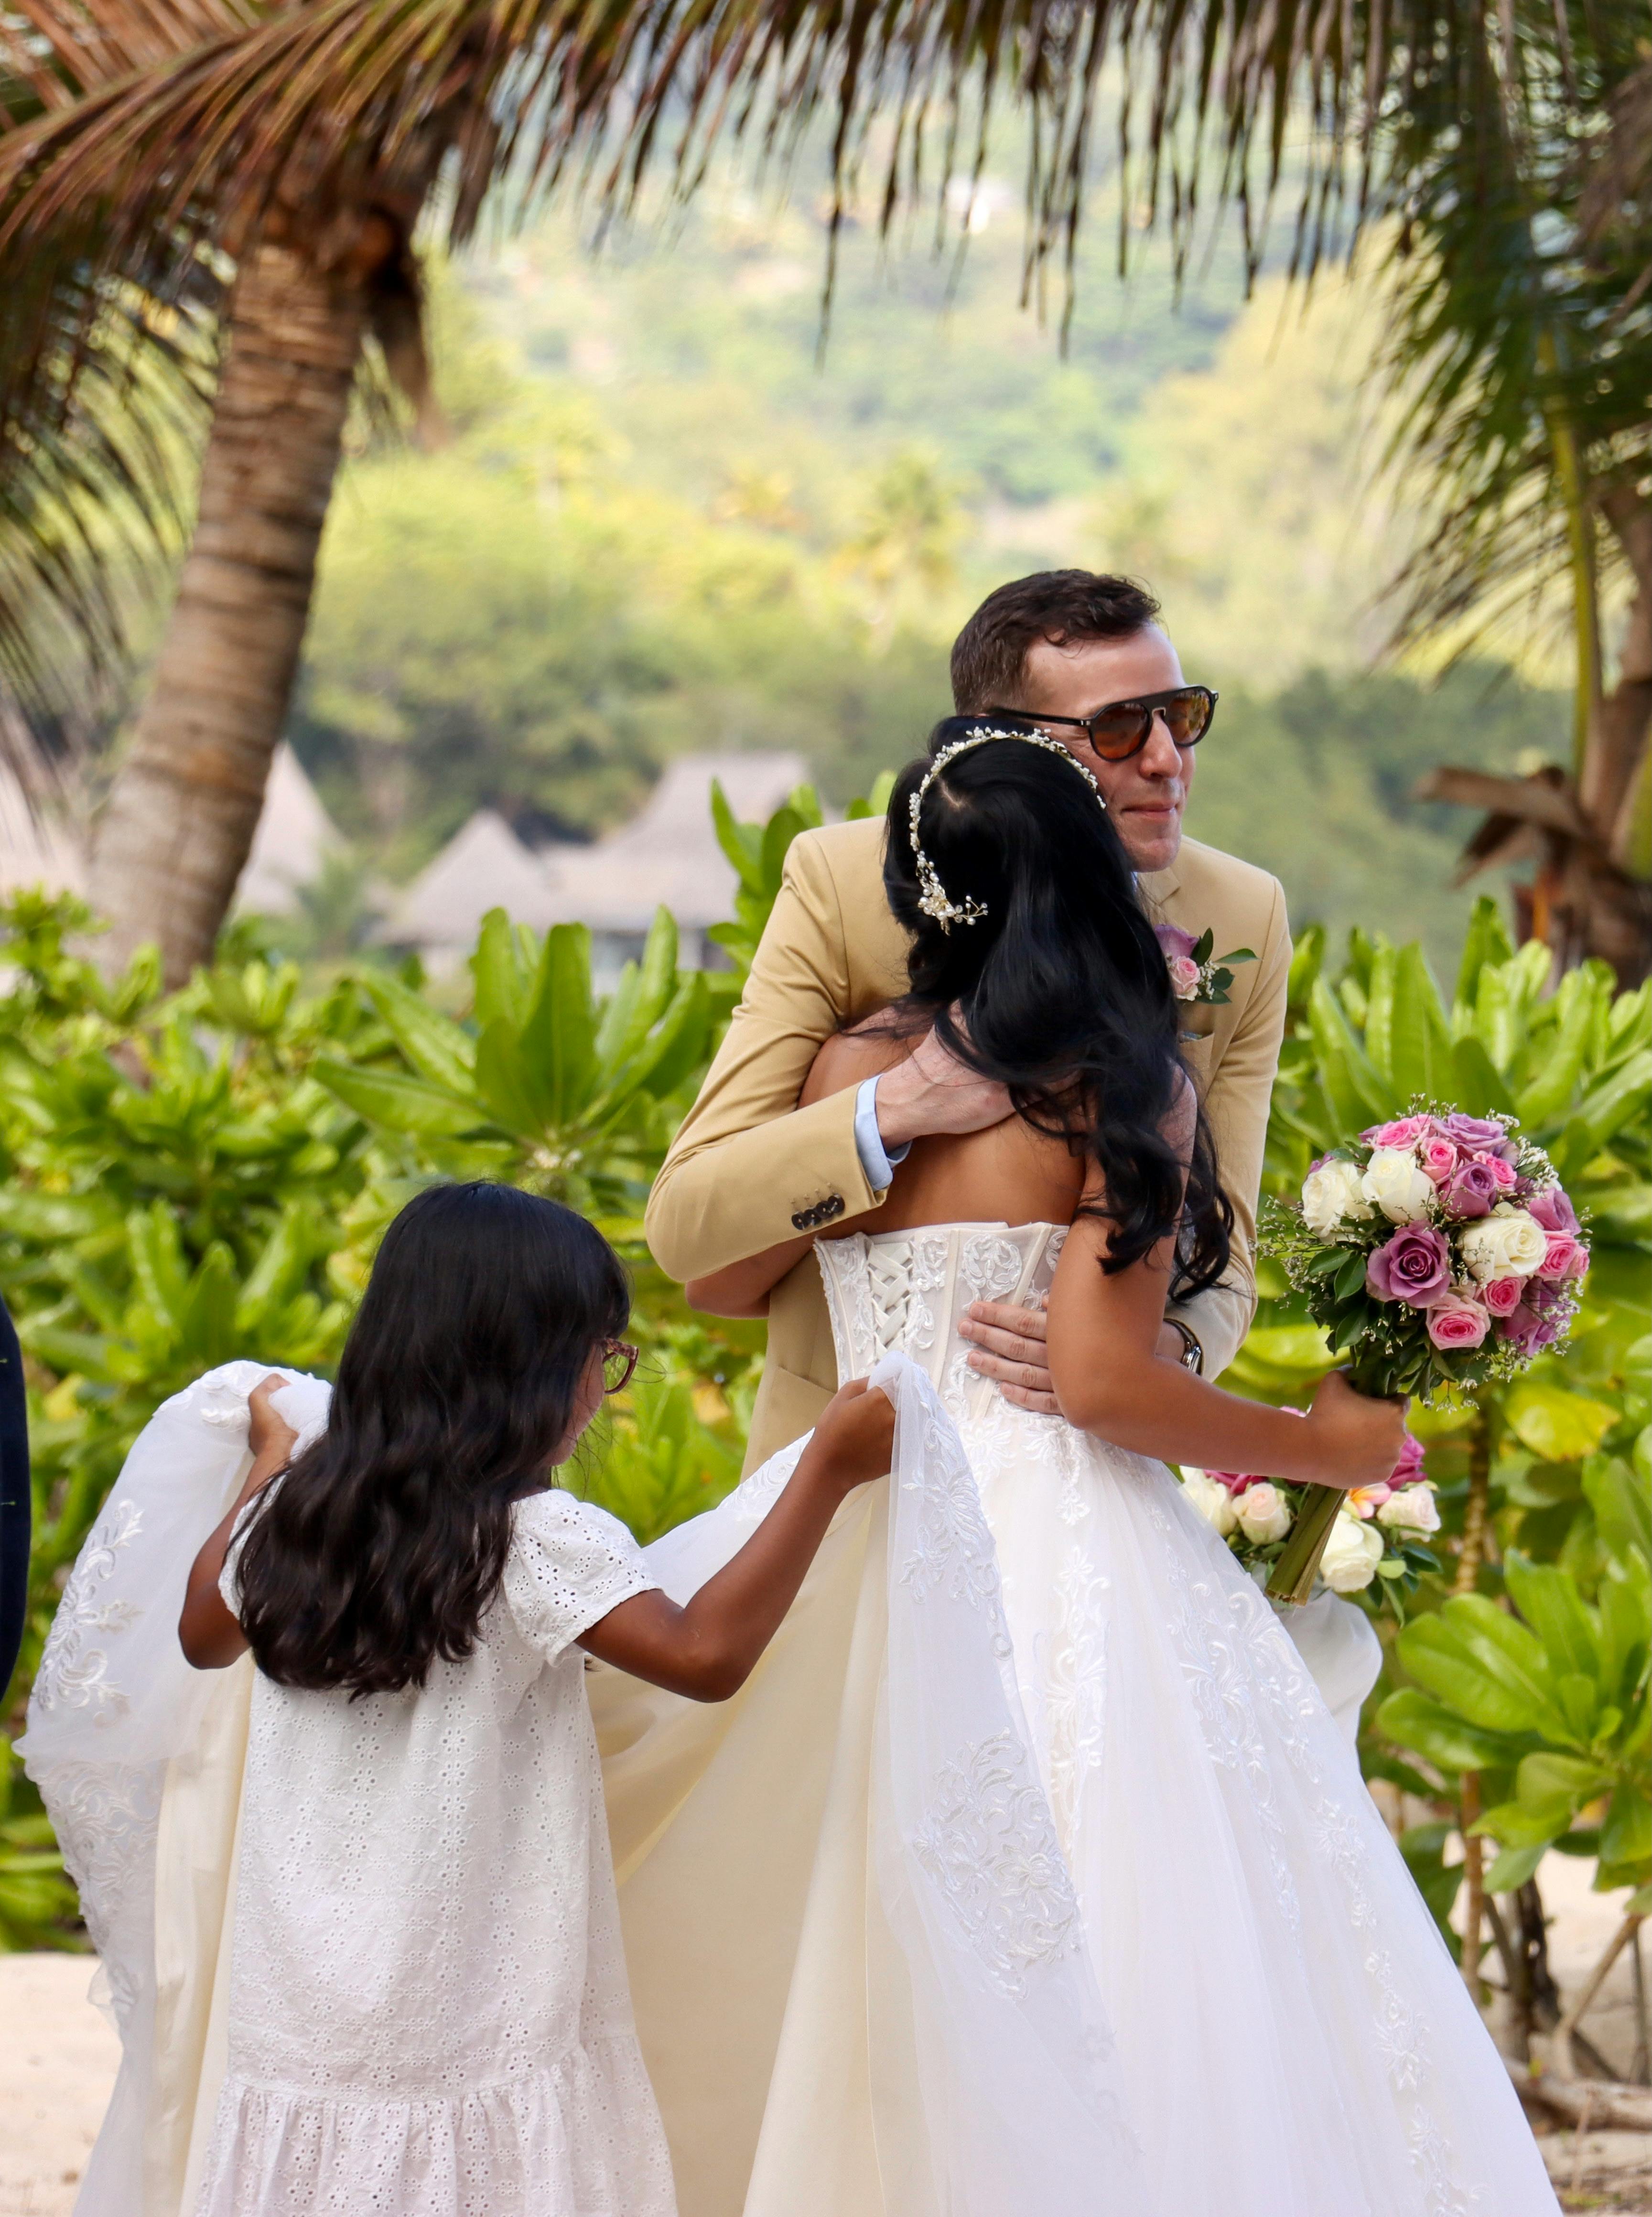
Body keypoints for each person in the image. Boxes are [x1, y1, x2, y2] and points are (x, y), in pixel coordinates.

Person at [594, 732, 1560, 2217]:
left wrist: (882, 1125)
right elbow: (1107, 1388)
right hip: (1054, 1541)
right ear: (1094, 880)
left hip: (857, 1520)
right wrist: (1326, 1447)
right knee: (1121, 1911)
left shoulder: (859, 1066)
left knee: (863, 1911)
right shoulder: (1124, 1087)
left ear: (926, 896)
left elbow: (725, 1285)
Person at [34, 1182, 894, 2217]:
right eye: (602, 1356)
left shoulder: (294, 1517)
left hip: (301, 2010)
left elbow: (200, 1634)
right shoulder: (533, 1538)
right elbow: (705, 1654)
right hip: (474, 2010)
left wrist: (269, 1466)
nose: (603, 1387)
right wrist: (830, 1473)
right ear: (529, 1361)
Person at [646, 570, 1290, 1469]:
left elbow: (1225, 1238)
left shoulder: (1245, 911)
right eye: (1117, 726)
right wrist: (892, 1109)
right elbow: (691, 1229)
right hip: (844, 1471)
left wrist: (1167, 1352)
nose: (1164, 758)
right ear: (1005, 748)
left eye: (1179, 715)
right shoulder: (841, 885)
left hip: (1082, 1477)